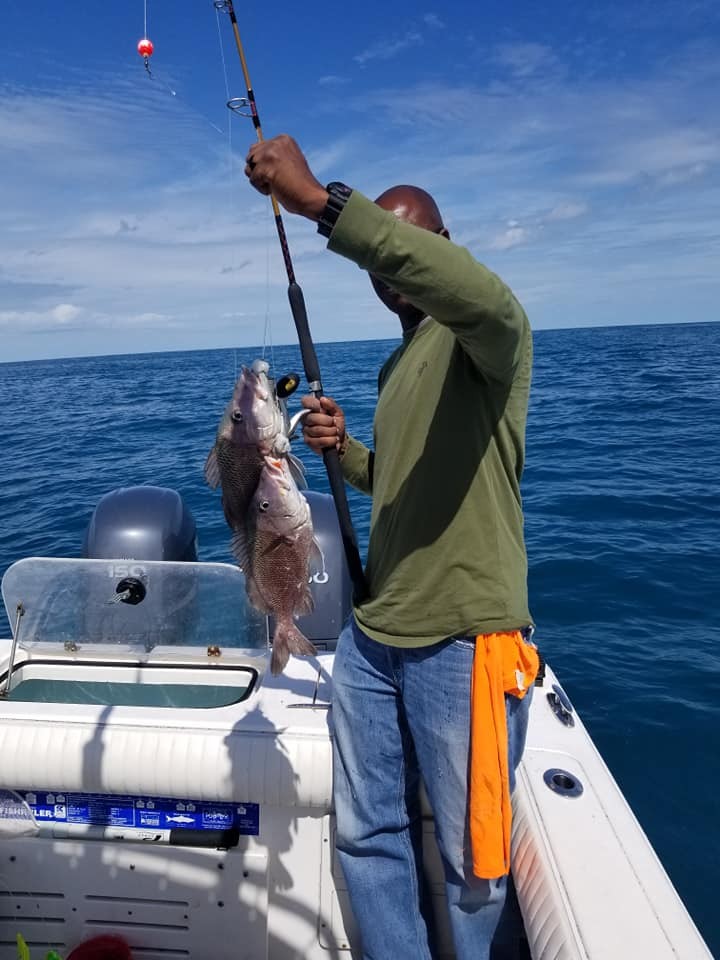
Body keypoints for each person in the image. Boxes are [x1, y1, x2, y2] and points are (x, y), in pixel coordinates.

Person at [245, 134, 536, 960]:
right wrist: (349, 456)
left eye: (403, 249)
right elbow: (400, 482)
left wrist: (322, 205)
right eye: (382, 264)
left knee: (473, 863)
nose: (390, 275)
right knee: (367, 837)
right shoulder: (396, 367)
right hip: (375, 637)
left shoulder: (488, 332)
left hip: (463, 637)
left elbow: (473, 293)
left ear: (439, 248)